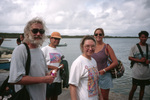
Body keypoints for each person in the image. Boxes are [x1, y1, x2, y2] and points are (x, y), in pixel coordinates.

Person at [8, 17, 56, 100]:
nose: (38, 34)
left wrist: (49, 75)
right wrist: (43, 79)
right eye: (35, 31)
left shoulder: (40, 51)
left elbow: (43, 73)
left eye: (41, 31)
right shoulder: (20, 50)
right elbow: (15, 79)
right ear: (27, 33)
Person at [69, 35, 101, 100]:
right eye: (87, 46)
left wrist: (100, 96)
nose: (90, 49)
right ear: (82, 47)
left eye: (92, 46)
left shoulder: (94, 61)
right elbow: (72, 85)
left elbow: (95, 81)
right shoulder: (78, 62)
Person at [91, 28, 118, 100]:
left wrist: (104, 70)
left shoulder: (107, 47)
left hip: (105, 75)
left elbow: (115, 62)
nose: (98, 36)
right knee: (94, 96)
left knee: (104, 97)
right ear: (94, 36)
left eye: (100, 34)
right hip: (93, 75)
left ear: (103, 36)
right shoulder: (91, 47)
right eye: (96, 34)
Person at [42, 32, 64, 100]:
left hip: (57, 79)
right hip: (48, 79)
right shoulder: (44, 49)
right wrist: (53, 67)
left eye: (58, 39)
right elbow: (41, 65)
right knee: (46, 97)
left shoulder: (59, 51)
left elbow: (59, 62)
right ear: (50, 38)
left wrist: (61, 65)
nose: (57, 40)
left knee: (55, 96)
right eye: (55, 38)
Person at [128, 31, 150, 100]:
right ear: (139, 37)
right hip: (136, 72)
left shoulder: (149, 47)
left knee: (142, 88)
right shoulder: (134, 47)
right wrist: (140, 60)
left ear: (147, 38)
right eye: (142, 37)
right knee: (134, 88)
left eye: (145, 37)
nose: (144, 39)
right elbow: (130, 57)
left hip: (146, 72)